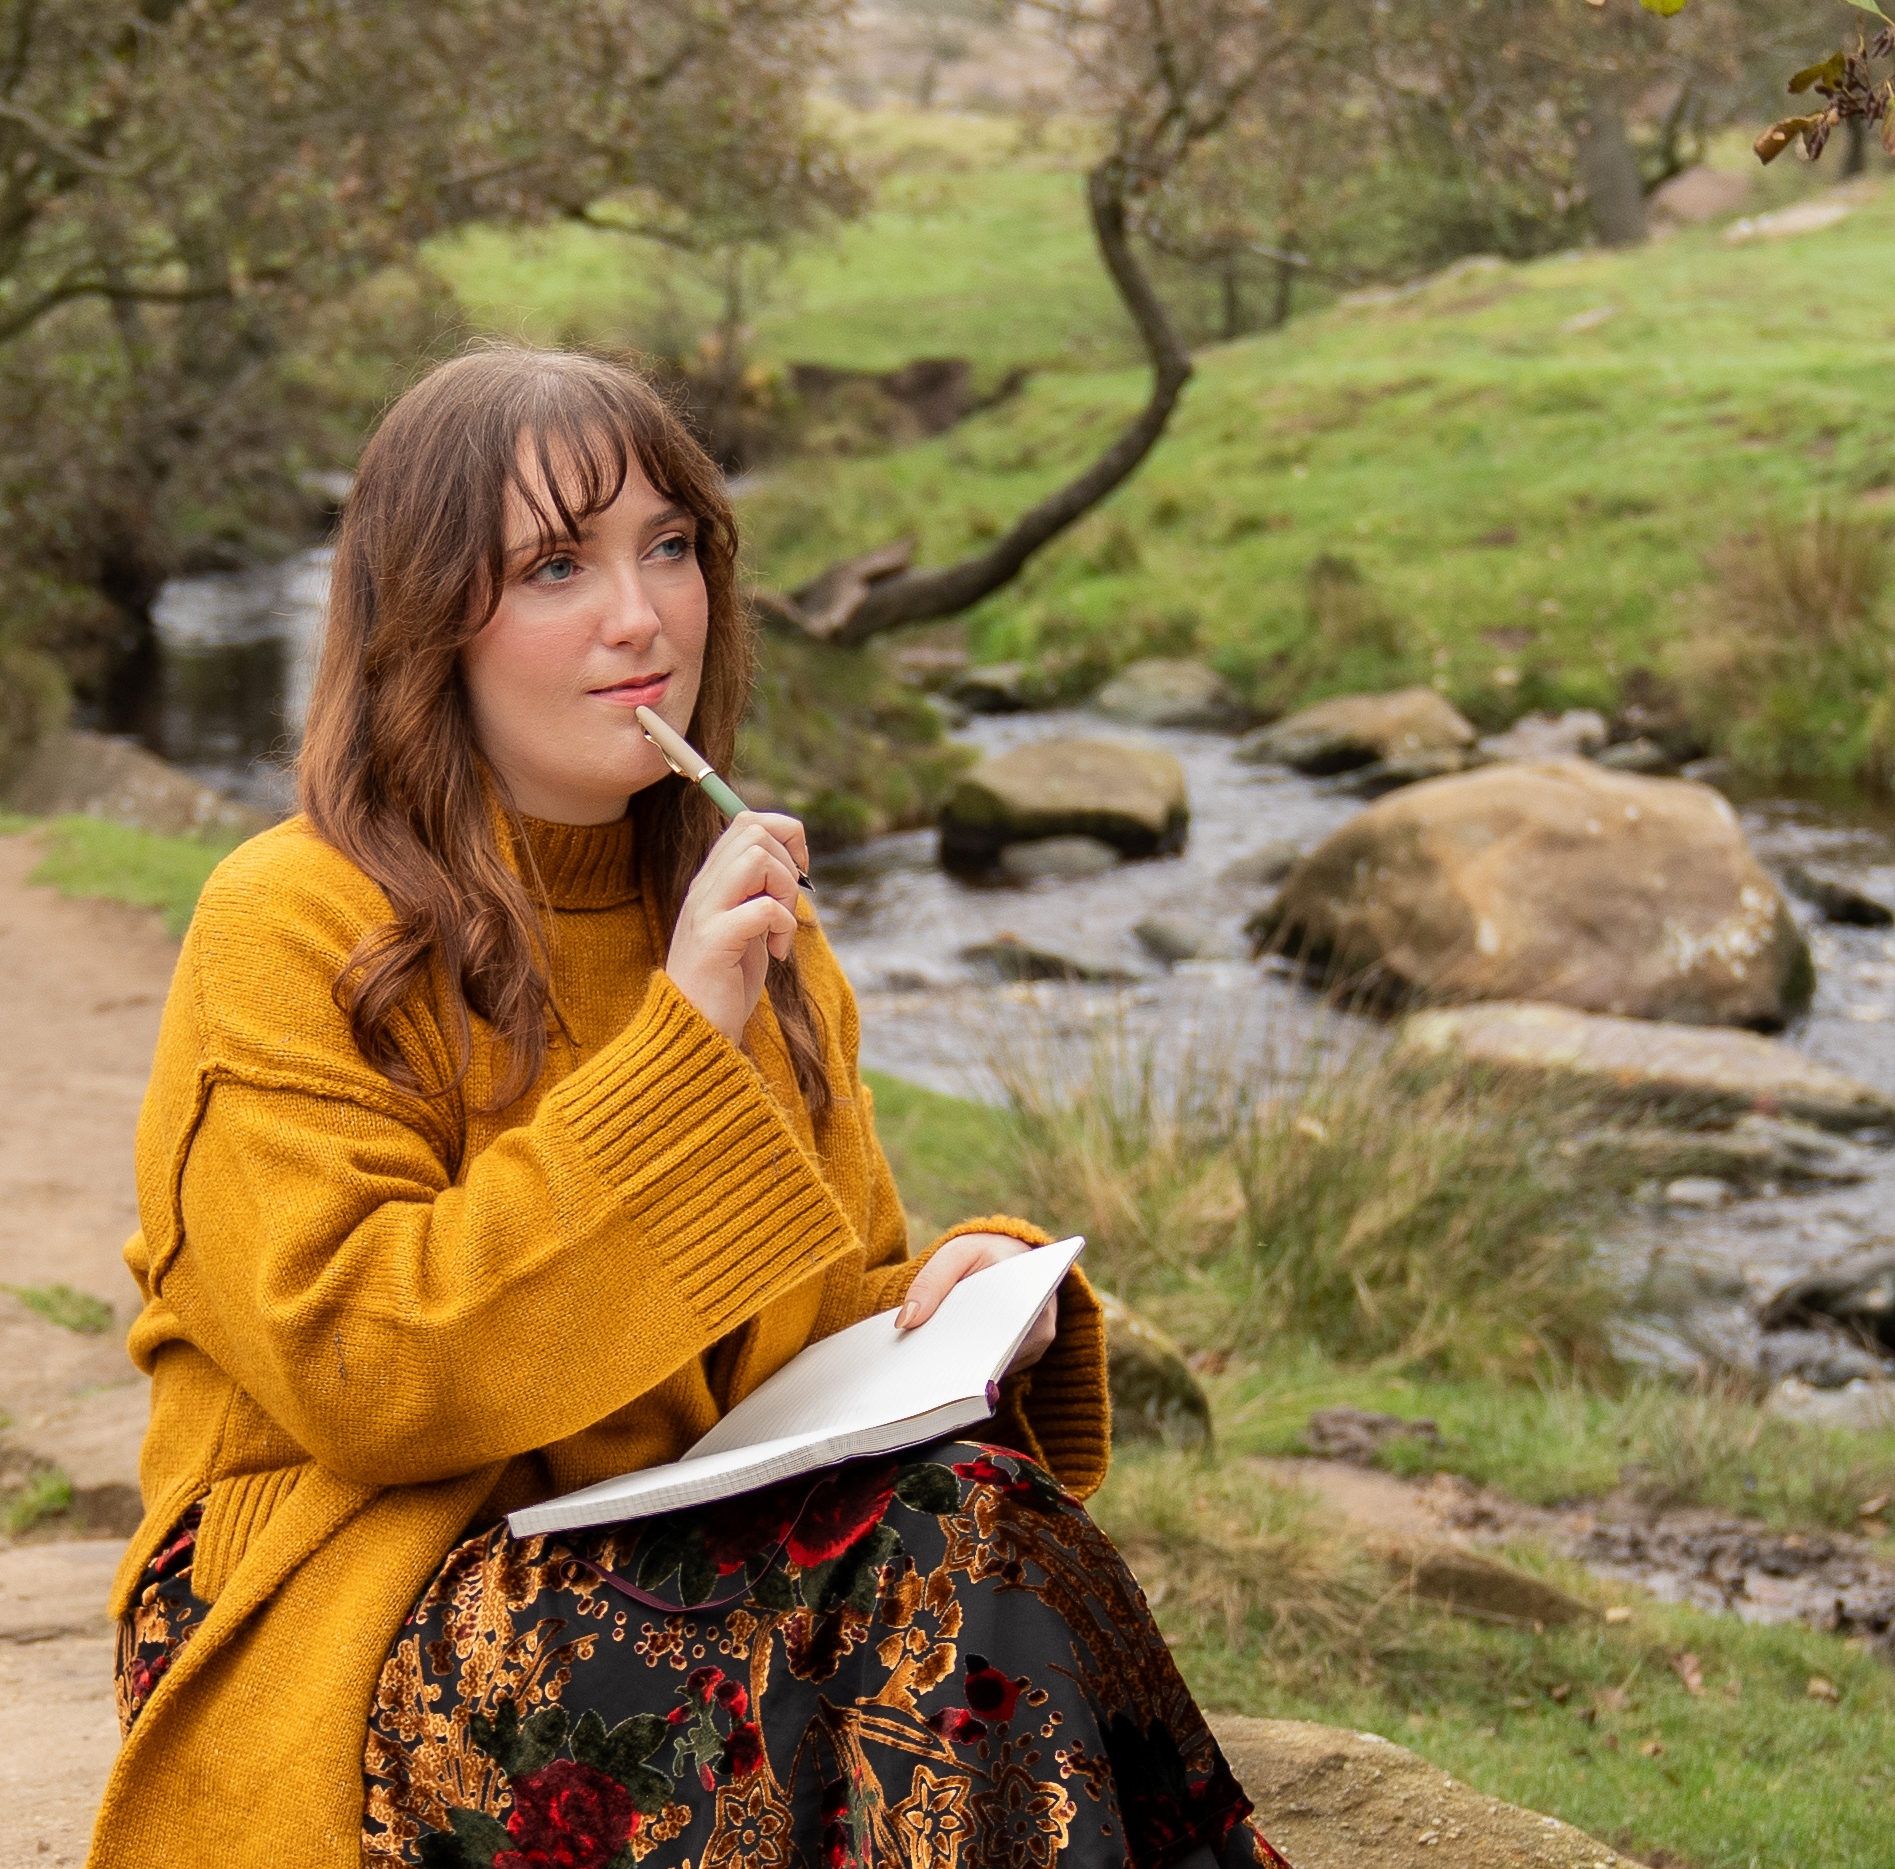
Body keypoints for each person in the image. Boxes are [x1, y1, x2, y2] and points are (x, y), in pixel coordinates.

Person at [89, 345, 1281, 1869]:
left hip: (655, 1537)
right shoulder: (296, 921)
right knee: (936, 1570)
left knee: (963, 1516)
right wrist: (684, 1044)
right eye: (553, 568)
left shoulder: (747, 925)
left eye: (670, 546)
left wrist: (949, 1296)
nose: (641, 618)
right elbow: (370, 1377)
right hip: (343, 1587)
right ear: (421, 625)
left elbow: (790, 1331)